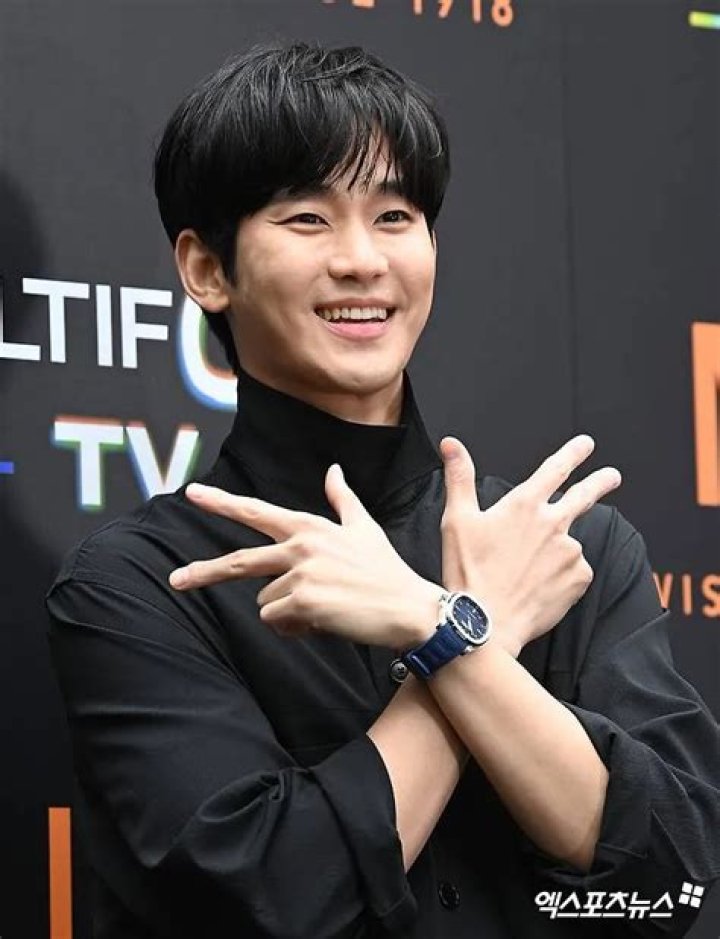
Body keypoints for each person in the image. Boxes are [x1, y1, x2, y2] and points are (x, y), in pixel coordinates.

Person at [45, 42, 720, 938]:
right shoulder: (141, 583)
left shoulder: (565, 547)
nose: (362, 260)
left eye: (395, 215)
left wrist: (442, 625)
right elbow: (275, 895)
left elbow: (670, 884)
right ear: (206, 269)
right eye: (307, 219)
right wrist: (473, 626)